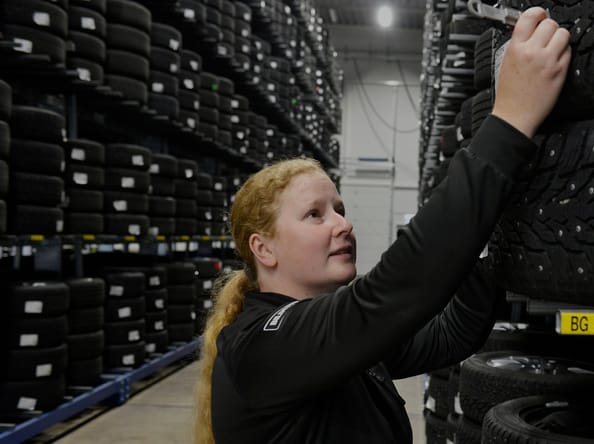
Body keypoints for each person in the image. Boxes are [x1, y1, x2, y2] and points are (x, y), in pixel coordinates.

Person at [194, 7, 572, 443]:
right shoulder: (261, 346)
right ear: (264, 249)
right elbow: (392, 294)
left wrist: (488, 220)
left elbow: (453, 332)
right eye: (315, 214)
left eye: (339, 209)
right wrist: (509, 121)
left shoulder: (338, 342)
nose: (343, 224)